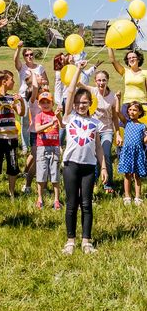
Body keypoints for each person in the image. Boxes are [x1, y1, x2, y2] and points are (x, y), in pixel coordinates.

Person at [61, 61, 107, 255]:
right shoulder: (69, 117)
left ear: (90, 103)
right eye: (78, 102)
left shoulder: (95, 123)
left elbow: (98, 147)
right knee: (71, 204)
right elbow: (71, 91)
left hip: (89, 167)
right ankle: (70, 240)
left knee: (87, 204)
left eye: (85, 102)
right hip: (71, 165)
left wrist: (103, 167)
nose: (81, 105)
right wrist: (79, 69)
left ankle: (86, 241)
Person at [78, 69, 120, 193]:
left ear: (107, 81)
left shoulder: (113, 97)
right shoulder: (92, 91)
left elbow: (115, 117)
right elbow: (77, 83)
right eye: (99, 80)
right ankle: (94, 181)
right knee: (94, 156)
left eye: (104, 80)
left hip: (107, 130)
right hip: (93, 129)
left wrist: (118, 133)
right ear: (95, 81)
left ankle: (108, 184)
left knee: (106, 154)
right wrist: (79, 68)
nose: (101, 83)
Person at [0, 70, 25, 199]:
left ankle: (12, 193)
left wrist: (21, 102)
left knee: (13, 166)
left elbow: (21, 113)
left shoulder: (11, 98)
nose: (13, 82)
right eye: (12, 80)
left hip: (12, 138)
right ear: (4, 82)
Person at [14, 42, 49, 154]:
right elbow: (15, 60)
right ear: (24, 57)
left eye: (31, 54)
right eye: (26, 55)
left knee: (37, 120)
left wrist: (43, 86)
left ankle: (38, 142)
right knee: (24, 121)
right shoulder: (22, 67)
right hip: (24, 96)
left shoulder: (40, 67)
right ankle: (25, 146)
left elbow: (46, 81)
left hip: (37, 97)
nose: (29, 56)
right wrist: (18, 48)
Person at [34, 91, 62, 210]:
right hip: (42, 148)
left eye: (48, 102)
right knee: (41, 173)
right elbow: (37, 129)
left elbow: (62, 125)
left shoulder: (55, 115)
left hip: (54, 148)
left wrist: (58, 115)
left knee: (55, 174)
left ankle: (56, 200)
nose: (45, 105)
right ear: (39, 104)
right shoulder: (39, 116)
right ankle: (40, 199)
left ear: (52, 103)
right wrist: (50, 123)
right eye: (43, 102)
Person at [116, 99, 147, 206]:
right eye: (130, 109)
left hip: (138, 152)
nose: (132, 112)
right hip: (127, 152)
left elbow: (144, 140)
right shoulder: (126, 122)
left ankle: (138, 197)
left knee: (137, 175)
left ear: (140, 112)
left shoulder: (143, 126)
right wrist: (118, 99)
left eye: (135, 110)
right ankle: (127, 196)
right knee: (127, 174)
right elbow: (117, 112)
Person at [108, 48, 147, 117]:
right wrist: (109, 46)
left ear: (138, 59)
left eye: (133, 57)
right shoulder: (125, 71)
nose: (131, 59)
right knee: (125, 124)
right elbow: (113, 60)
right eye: (129, 58)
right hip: (127, 104)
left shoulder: (145, 73)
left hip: (142, 104)